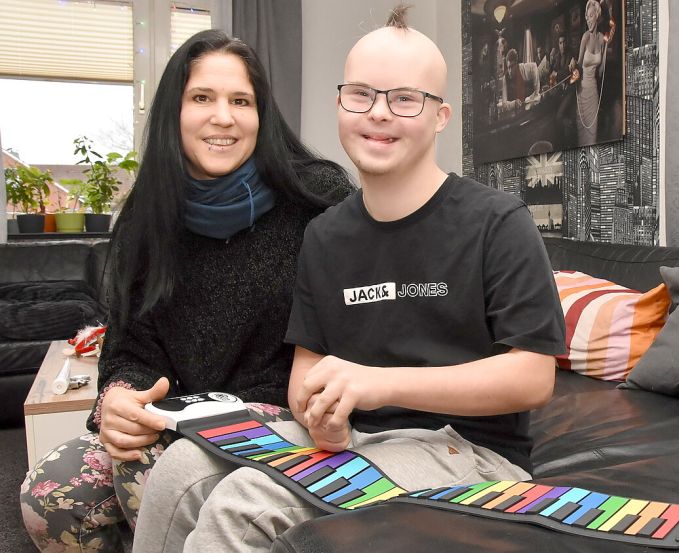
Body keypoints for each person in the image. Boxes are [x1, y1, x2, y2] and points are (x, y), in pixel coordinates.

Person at [130, 6, 566, 552]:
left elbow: (532, 377)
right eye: (361, 94)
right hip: (359, 438)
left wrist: (377, 383)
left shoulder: (497, 221)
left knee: (246, 503)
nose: (378, 113)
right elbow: (305, 375)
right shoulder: (325, 234)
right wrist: (321, 417)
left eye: (405, 98)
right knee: (180, 470)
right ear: (339, 104)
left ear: (441, 116)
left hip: (471, 451)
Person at [20, 29, 352, 553]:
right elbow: (128, 351)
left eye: (241, 101)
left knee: (152, 474)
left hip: (287, 424)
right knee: (51, 492)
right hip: (173, 418)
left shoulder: (316, 198)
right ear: (175, 112)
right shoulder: (145, 219)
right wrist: (119, 401)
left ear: (262, 116)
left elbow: (357, 332)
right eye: (202, 98)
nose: (223, 117)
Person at [575, 0, 607, 145]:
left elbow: (600, 72)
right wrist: (572, 66)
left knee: (592, 137)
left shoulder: (601, 39)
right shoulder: (585, 37)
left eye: (591, 16)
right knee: (583, 137)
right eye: (586, 16)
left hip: (593, 92)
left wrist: (605, 50)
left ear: (597, 17)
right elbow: (578, 65)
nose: (588, 19)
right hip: (582, 91)